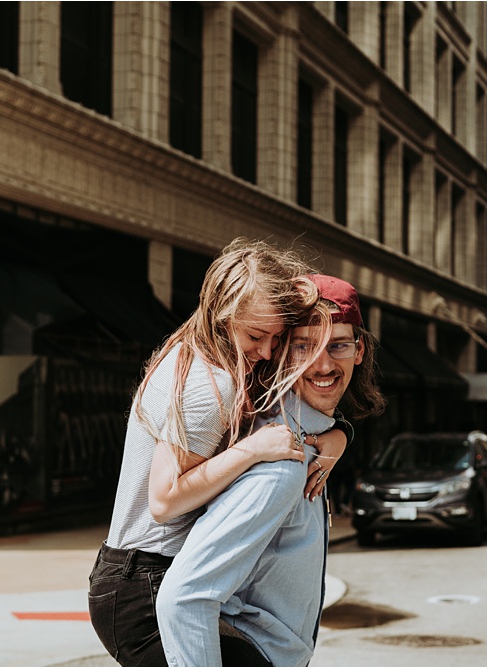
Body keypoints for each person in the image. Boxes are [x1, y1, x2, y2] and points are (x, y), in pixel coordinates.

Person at [88, 240, 352, 667]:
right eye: (256, 336)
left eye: (278, 337)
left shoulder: (206, 352)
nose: (267, 351)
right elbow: (165, 501)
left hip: (133, 577)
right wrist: (253, 449)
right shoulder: (209, 384)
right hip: (144, 586)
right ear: (223, 314)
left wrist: (338, 435)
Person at [155, 274, 386, 667]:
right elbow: (184, 599)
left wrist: (341, 435)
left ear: (360, 349)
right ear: (280, 352)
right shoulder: (279, 466)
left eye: (339, 345)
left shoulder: (308, 442)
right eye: (304, 346)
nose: (325, 364)